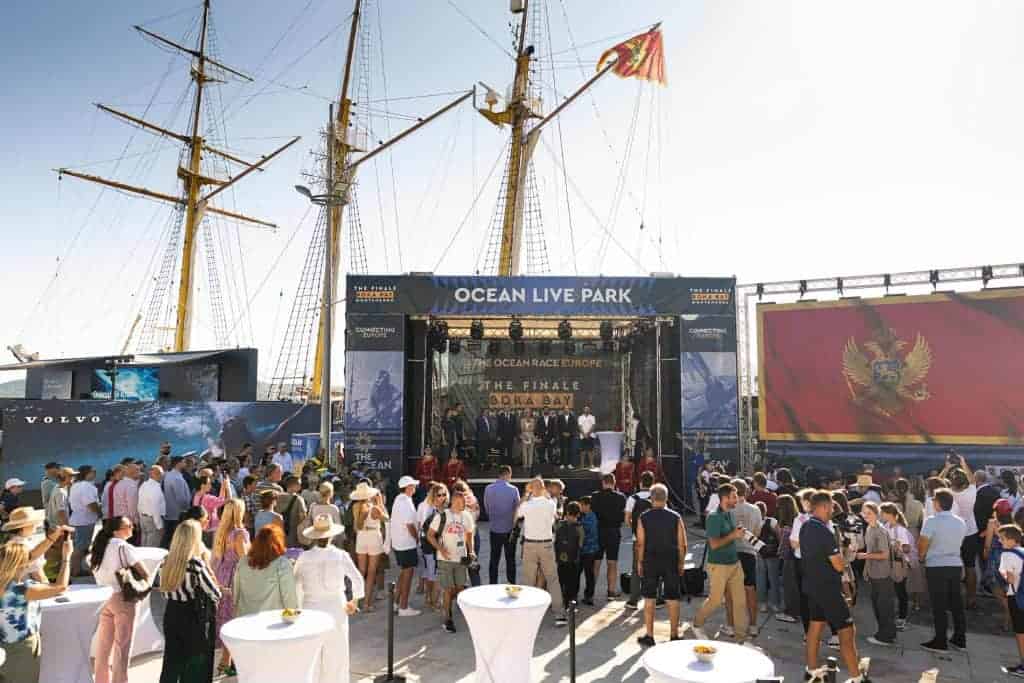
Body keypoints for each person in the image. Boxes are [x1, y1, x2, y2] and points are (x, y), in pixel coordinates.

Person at [801, 491, 863, 682]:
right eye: (831, 507)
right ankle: (856, 678)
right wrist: (845, 556)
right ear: (823, 507)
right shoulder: (823, 531)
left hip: (812, 585)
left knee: (816, 626)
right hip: (828, 588)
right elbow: (838, 564)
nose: (832, 511)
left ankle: (812, 670)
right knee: (847, 630)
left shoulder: (805, 526)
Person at [295, 515, 365, 683]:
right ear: (332, 535)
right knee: (337, 653)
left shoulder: (304, 558)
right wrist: (354, 601)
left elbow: (296, 585)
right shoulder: (340, 555)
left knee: (312, 654)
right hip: (336, 608)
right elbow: (357, 579)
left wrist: (298, 607)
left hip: (311, 609)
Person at [0, 534, 73, 681]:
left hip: (4, 644)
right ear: (21, 564)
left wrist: (52, 537)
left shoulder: (8, 586)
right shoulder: (21, 590)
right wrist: (66, 558)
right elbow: (61, 587)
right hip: (22, 648)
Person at [158, 519, 222, 683]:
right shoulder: (195, 564)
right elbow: (215, 593)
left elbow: (164, 591)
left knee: (172, 659)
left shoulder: (166, 561)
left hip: (171, 613)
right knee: (194, 663)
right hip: (192, 615)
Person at [91, 516, 149, 683]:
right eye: (128, 526)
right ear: (117, 531)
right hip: (122, 597)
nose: (132, 528)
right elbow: (144, 572)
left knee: (104, 645)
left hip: (104, 597)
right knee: (122, 646)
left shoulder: (100, 545)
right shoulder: (124, 547)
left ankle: (101, 680)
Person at [693, 483, 748, 643]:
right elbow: (714, 544)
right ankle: (697, 623)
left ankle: (740, 639)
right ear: (725, 498)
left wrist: (738, 533)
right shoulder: (714, 517)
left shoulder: (729, 513)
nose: (737, 499)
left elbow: (731, 534)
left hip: (734, 563)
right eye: (734, 496)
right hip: (718, 566)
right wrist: (733, 535)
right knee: (715, 600)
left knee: (740, 602)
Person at [636, 484, 687, 646]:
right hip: (670, 559)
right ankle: (674, 634)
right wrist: (681, 562)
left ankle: (650, 635)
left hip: (650, 559)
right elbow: (682, 543)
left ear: (651, 498)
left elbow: (640, 543)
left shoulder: (643, 517)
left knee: (649, 597)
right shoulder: (676, 517)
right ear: (666, 498)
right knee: (673, 597)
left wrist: (640, 561)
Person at [919, 487, 967, 652]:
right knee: (956, 604)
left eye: (934, 500)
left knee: (939, 605)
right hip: (955, 565)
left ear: (938, 503)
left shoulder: (931, 521)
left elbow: (923, 545)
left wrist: (921, 557)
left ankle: (940, 641)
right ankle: (960, 639)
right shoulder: (960, 521)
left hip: (936, 566)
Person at [517, 478, 566, 625]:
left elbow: (518, 514)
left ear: (531, 488)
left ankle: (528, 614)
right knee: (552, 579)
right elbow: (555, 518)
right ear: (544, 488)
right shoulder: (551, 503)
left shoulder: (527, 504)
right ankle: (559, 614)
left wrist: (526, 495)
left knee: (529, 580)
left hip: (530, 544)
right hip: (546, 544)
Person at [211, 499, 250, 677]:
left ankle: (225, 661)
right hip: (235, 577)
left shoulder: (221, 531)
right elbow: (244, 559)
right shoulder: (239, 533)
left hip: (222, 574)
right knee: (236, 619)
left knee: (225, 618)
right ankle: (229, 661)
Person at [428, 488, 476, 633]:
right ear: (454, 502)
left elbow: (469, 534)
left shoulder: (466, 516)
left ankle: (459, 611)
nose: (464, 505)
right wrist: (441, 549)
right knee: (448, 589)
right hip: (445, 560)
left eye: (465, 503)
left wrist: (471, 551)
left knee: (461, 588)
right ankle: (447, 619)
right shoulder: (442, 516)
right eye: (461, 502)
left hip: (461, 559)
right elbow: (430, 535)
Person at [233, 524, 299, 616]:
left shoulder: (243, 562)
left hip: (244, 619)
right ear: (279, 543)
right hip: (272, 621)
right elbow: (290, 601)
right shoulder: (282, 564)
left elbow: (235, 595)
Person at [856, 502, 897, 646]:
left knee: (884, 606)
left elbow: (884, 554)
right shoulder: (869, 528)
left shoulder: (880, 530)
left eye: (869, 513)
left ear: (876, 514)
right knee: (878, 605)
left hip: (883, 574)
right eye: (864, 513)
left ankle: (886, 637)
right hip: (874, 573)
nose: (866, 516)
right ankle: (885, 634)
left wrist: (865, 556)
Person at [944, 454, 980, 608]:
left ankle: (954, 599)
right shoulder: (971, 491)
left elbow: (937, 482)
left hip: (952, 534)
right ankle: (971, 598)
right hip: (970, 532)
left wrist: (946, 468)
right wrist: (963, 462)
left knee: (953, 567)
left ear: (951, 481)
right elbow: (973, 480)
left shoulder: (948, 493)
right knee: (970, 567)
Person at [730, 479, 763, 636]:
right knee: (750, 589)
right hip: (749, 551)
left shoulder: (728, 509)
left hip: (732, 552)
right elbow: (757, 532)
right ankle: (753, 625)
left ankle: (731, 625)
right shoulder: (755, 509)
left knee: (731, 590)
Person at [351, 481, 388, 611]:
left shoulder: (356, 507)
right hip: (373, 537)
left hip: (361, 537)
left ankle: (356, 601)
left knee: (361, 571)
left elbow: (356, 527)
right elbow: (387, 518)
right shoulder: (375, 508)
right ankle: (367, 603)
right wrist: (380, 503)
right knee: (371, 572)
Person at [881, 502, 916, 631]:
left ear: (891, 514)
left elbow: (907, 549)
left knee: (901, 592)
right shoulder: (885, 526)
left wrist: (897, 546)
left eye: (884, 513)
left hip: (899, 564)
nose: (882, 515)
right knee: (892, 591)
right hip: (889, 563)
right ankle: (896, 616)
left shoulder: (901, 530)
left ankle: (902, 618)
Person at [591, 473, 626, 600]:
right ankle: (611, 592)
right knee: (612, 562)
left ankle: (590, 592)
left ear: (603, 483)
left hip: (598, 531)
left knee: (596, 562)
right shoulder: (621, 497)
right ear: (614, 483)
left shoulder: (595, 496)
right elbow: (623, 516)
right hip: (614, 532)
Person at [483, 466, 520, 585]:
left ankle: (492, 584)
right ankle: (511, 584)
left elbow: (487, 508)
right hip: (509, 530)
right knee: (510, 559)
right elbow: (518, 510)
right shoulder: (514, 489)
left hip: (494, 529)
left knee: (494, 559)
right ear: (508, 474)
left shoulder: (488, 489)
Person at [390, 476, 421, 616]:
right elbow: (409, 525)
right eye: (413, 486)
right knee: (408, 575)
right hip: (406, 543)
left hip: (399, 543)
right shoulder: (406, 502)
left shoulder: (399, 499)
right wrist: (417, 538)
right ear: (408, 488)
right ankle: (403, 607)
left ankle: (396, 603)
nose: (415, 488)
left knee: (404, 573)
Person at [4, 507, 60, 583]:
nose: (36, 525)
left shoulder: (10, 543)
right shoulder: (25, 546)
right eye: (33, 523)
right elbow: (39, 576)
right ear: (25, 527)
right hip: (27, 588)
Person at [997, 524, 1024, 677]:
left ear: (1012, 540)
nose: (1000, 541)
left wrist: (1005, 575)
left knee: (1021, 633)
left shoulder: (1007, 555)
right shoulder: (1022, 551)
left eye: (1002, 538)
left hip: (1017, 597)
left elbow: (1010, 579)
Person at [625, 471, 655, 609]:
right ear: (653, 483)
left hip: (637, 538)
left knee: (636, 568)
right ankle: (655, 598)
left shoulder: (632, 499)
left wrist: (635, 529)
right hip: (654, 539)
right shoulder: (656, 497)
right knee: (654, 568)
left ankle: (633, 600)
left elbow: (627, 519)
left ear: (640, 482)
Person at [418, 483, 448, 611]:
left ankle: (431, 599)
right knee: (433, 575)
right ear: (433, 495)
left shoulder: (442, 508)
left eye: (444, 494)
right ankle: (432, 601)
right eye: (439, 495)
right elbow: (425, 530)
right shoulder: (429, 509)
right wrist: (439, 547)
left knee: (433, 574)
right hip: (430, 546)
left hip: (435, 545)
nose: (442, 497)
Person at [69, 465, 102, 576]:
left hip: (77, 520)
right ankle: (76, 570)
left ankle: (75, 568)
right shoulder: (86, 486)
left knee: (78, 546)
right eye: (93, 472)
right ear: (87, 473)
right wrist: (100, 513)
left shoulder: (75, 485)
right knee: (81, 547)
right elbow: (91, 504)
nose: (95, 474)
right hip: (84, 521)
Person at [776, 493, 801, 623]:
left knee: (790, 587)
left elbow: (784, 546)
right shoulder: (798, 519)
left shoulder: (787, 526)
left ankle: (791, 613)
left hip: (790, 558)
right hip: (798, 558)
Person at [555, 501, 585, 610]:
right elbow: (581, 544)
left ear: (567, 512)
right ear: (578, 514)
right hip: (574, 559)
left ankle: (561, 599)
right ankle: (571, 601)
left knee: (561, 578)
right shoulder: (579, 527)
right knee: (573, 580)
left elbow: (555, 539)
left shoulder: (559, 524)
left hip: (561, 558)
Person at [162, 457, 192, 548]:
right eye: (183, 462)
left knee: (170, 537)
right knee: (177, 539)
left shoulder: (169, 475)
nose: (185, 464)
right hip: (178, 513)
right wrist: (186, 509)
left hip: (170, 512)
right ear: (178, 464)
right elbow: (181, 498)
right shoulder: (176, 478)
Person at [192, 475, 230, 547]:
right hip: (211, 530)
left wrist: (223, 487)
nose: (211, 485)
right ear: (202, 485)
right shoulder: (207, 498)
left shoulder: (196, 496)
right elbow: (225, 500)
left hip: (201, 528)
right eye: (209, 483)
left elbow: (220, 500)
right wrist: (226, 486)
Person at [276, 475, 309, 549]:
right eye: (299, 484)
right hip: (293, 535)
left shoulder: (277, 497)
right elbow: (303, 517)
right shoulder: (299, 499)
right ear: (293, 485)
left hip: (279, 533)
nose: (301, 486)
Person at [578, 495, 600, 606]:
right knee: (588, 574)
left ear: (588, 506)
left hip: (588, 550)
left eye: (581, 505)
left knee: (587, 574)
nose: (580, 507)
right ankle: (588, 596)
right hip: (589, 550)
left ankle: (588, 596)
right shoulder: (587, 516)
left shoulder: (590, 518)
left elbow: (586, 533)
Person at [137, 465, 165, 548]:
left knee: (144, 544)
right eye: (160, 474)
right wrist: (159, 526)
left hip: (144, 518)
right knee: (152, 547)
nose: (162, 476)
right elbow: (155, 507)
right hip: (153, 520)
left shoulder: (144, 485)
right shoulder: (155, 487)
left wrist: (140, 517)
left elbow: (139, 504)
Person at [577, 405, 596, 469]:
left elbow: (593, 426)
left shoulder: (592, 417)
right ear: (583, 410)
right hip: (583, 436)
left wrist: (588, 434)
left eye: (588, 409)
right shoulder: (580, 417)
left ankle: (591, 464)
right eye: (585, 409)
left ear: (589, 410)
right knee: (582, 451)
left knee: (591, 451)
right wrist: (584, 434)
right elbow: (579, 426)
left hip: (590, 435)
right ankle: (582, 465)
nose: (587, 410)